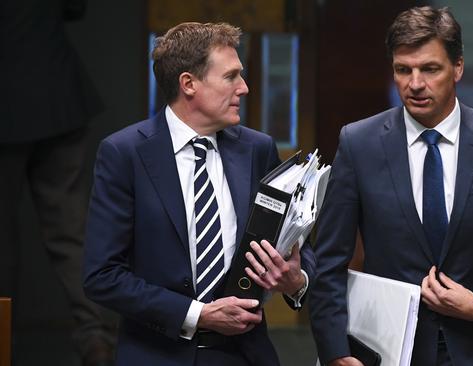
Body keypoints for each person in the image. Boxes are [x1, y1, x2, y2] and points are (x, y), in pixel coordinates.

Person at [309, 6, 473, 366]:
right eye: (402, 70)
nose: (415, 84)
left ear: (457, 67)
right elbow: (329, 260)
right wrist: (335, 352)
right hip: (388, 350)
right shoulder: (359, 143)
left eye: (429, 69)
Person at [83, 22, 315, 366]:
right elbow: (102, 276)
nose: (245, 88)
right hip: (158, 354)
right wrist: (198, 314)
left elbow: (300, 246)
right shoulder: (124, 153)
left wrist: (296, 280)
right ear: (189, 83)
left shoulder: (257, 149)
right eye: (231, 77)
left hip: (245, 354)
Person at [0, 0, 115, 365]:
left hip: (8, 101)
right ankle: (95, 338)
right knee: (72, 230)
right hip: (57, 94)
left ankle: (3, 345)